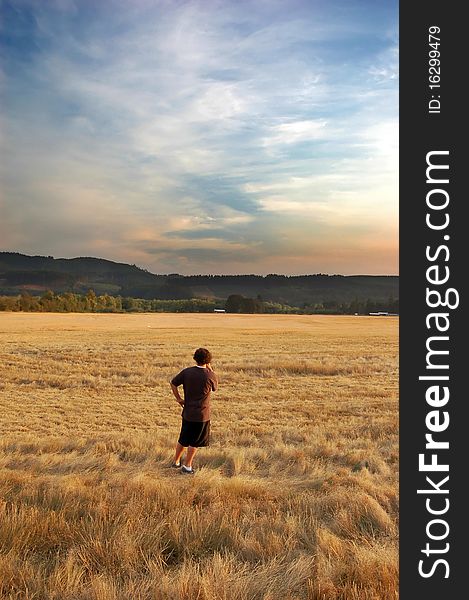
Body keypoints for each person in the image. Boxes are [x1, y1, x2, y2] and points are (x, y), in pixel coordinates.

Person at [170, 347, 218, 474]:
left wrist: (179, 399)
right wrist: (210, 368)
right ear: (208, 361)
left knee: (183, 439)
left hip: (187, 412)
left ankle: (176, 462)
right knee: (195, 441)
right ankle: (187, 466)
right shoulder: (210, 375)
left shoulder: (187, 372)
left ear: (195, 359)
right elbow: (215, 388)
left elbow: (173, 383)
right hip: (202, 415)